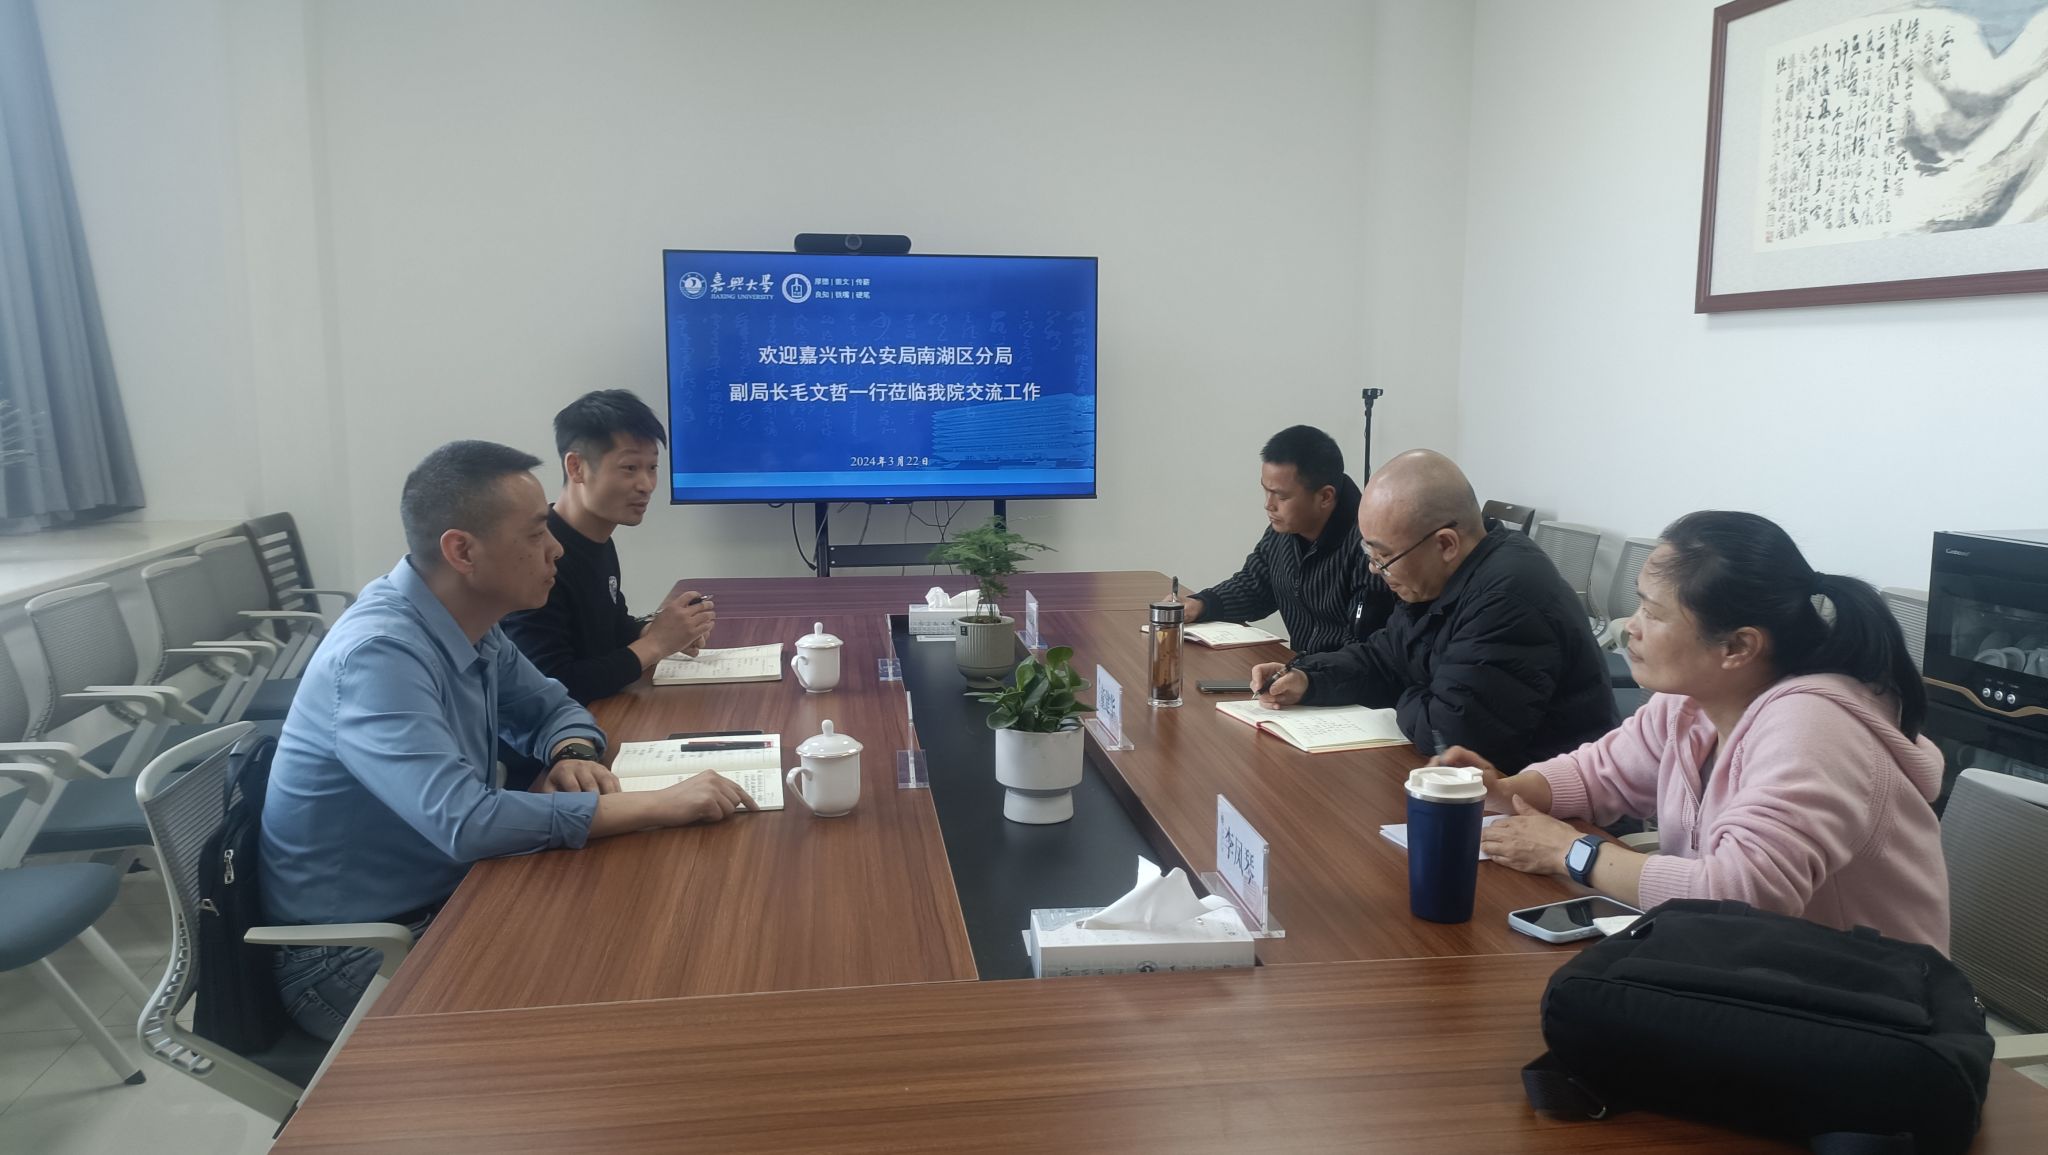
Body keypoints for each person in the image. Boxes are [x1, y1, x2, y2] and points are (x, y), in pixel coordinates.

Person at [259, 440, 758, 1039]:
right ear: (462, 551)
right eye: (535, 533)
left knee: (656, 931)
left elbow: (553, 706)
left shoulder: (468, 620)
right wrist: (658, 804)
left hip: (452, 891)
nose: (555, 549)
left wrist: (571, 753)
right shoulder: (379, 655)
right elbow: (467, 821)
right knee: (629, 983)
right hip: (357, 953)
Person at [1445, 511, 1950, 951]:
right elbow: (1603, 772)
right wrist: (1510, 790)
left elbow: (1744, 893)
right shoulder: (1693, 701)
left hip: (1861, 1005)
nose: (1630, 626)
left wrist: (1569, 851)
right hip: (1748, 966)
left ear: (1738, 647)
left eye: (1653, 613)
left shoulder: (1813, 728)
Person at [1253, 449, 1616, 770]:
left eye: (1383, 556)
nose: (1374, 569)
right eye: (1369, 553)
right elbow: (1385, 657)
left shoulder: (1508, 599)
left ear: (1445, 544)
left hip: (1552, 810)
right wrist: (1308, 677)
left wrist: (1409, 690)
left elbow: (1452, 737)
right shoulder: (1441, 579)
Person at [504, 389, 715, 705]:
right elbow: (552, 684)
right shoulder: (536, 555)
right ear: (576, 467)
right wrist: (655, 644)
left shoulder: (597, 540)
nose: (646, 485)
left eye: (652, 467)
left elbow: (611, 631)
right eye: (630, 468)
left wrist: (663, 631)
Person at [1183, 425, 1391, 655]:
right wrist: (1203, 604)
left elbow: (1364, 649)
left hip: (1336, 673)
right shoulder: (1284, 530)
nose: (1268, 505)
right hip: (1300, 669)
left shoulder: (1369, 548)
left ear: (1325, 496)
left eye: (1281, 496)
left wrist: (1305, 673)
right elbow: (1255, 587)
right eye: (1266, 491)